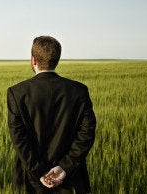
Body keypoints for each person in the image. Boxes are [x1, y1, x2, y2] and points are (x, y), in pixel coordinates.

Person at [7, 36, 96, 193]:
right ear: (56, 60)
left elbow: (18, 138)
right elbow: (86, 134)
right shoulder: (79, 91)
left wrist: (38, 170)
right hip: (71, 180)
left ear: (34, 60)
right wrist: (65, 167)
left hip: (31, 180)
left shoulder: (17, 93)